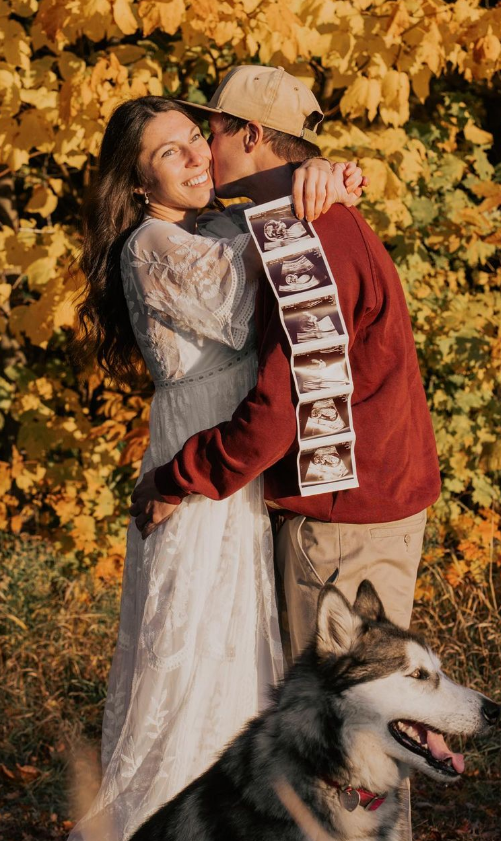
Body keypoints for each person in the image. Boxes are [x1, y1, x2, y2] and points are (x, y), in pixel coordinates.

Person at [129, 64, 442, 841]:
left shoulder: (302, 231)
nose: (206, 148)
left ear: (252, 135)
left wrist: (182, 473)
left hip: (340, 515)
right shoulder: (310, 213)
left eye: (214, 131)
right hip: (377, 497)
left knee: (348, 744)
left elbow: (282, 404)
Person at [68, 93, 363, 841]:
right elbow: (247, 295)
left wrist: (312, 174)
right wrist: (307, 195)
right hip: (200, 467)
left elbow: (270, 235)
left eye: (198, 137)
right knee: (195, 649)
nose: (199, 155)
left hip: (235, 465)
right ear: (137, 185)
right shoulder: (152, 246)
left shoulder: (215, 223)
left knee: (240, 648)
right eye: (171, 151)